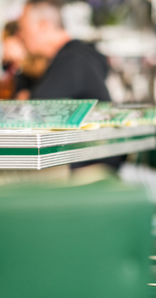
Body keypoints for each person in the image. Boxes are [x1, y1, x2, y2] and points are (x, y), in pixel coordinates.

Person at [17, 0, 122, 170]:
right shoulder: (79, 54)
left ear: (43, 26)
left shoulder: (70, 60)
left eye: (23, 28)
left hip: (92, 169)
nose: (20, 36)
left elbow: (31, 112)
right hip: (94, 160)